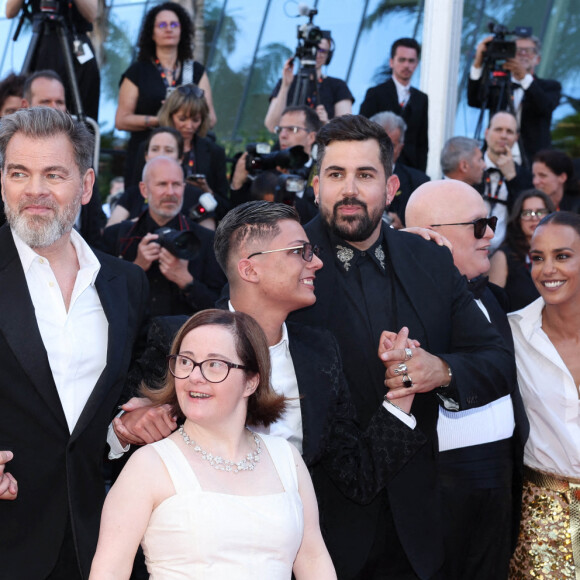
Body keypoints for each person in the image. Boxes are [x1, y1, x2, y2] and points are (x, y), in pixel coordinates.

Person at [291, 114, 515, 580]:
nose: (349, 189)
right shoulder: (282, 257)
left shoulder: (429, 258)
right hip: (314, 529)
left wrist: (442, 370)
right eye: (336, 175)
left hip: (420, 528)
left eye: (365, 175)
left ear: (391, 187)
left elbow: (495, 362)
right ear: (316, 186)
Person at [0, 107, 153, 579]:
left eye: (54, 174)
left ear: (86, 186)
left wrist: (124, 431)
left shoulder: (125, 284)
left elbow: (119, 404)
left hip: (93, 539)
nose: (35, 190)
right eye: (19, 172)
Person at [90, 309, 337, 580]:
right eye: (185, 362)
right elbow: (109, 572)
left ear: (251, 382)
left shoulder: (286, 458)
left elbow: (313, 560)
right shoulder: (149, 464)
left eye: (215, 364)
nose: (195, 376)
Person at [405, 179, 528, 580]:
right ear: (433, 236)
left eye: (490, 222)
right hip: (436, 483)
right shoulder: (396, 298)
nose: (490, 234)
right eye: (478, 225)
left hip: (502, 475)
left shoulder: (494, 296)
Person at [508, 211, 580, 579]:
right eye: (538, 258)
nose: (547, 269)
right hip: (543, 522)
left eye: (563, 256)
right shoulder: (513, 334)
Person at [101, 156, 226, 318]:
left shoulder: (207, 240)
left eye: (176, 184)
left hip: (184, 340)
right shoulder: (117, 236)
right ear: (144, 189)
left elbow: (222, 310)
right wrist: (136, 268)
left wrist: (187, 282)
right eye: (162, 184)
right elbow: (99, 300)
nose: (170, 192)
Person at [115, 2, 217, 187]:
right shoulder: (137, 71)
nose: (168, 29)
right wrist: (162, 119)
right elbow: (121, 120)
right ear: (151, 33)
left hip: (186, 154)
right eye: (162, 25)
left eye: (174, 25)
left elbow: (210, 118)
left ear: (182, 30)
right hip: (147, 153)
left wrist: (184, 119)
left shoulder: (195, 71)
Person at [467, 34, 561, 165]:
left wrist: (524, 78)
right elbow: (474, 100)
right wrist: (478, 63)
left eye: (529, 51)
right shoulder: (498, 84)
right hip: (494, 157)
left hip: (532, 160)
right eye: (517, 50)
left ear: (537, 59)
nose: (523, 54)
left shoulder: (550, 86)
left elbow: (544, 107)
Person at [6, 0, 101, 120]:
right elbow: (9, 12)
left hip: (74, 42)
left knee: (80, 108)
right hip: (43, 41)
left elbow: (91, 13)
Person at [107, 126, 216, 230]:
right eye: (155, 149)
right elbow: (110, 232)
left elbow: (210, 241)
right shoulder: (132, 194)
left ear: (181, 158)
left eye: (168, 150)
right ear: (146, 156)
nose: (161, 155)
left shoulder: (197, 198)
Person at [232, 105, 322, 222]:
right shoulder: (267, 165)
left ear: (311, 137)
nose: (282, 135)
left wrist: (293, 187)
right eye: (280, 129)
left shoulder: (321, 173)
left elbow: (320, 220)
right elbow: (238, 219)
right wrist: (237, 184)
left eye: (292, 129)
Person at [360, 38, 428, 172]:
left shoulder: (421, 98)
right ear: (392, 62)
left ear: (417, 64)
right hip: (378, 166)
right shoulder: (375, 93)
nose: (406, 65)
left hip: (410, 170)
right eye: (402, 60)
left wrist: (420, 175)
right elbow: (363, 132)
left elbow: (422, 143)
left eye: (411, 61)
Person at [264, 31, 353, 131]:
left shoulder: (338, 86)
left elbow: (346, 130)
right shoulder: (286, 81)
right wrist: (285, 85)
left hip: (321, 144)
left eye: (322, 51)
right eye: (312, 50)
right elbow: (272, 125)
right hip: (289, 144)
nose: (316, 54)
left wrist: (326, 123)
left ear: (329, 56)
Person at [157, 84, 228, 203]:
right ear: (170, 116)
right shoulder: (153, 147)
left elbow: (225, 206)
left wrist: (207, 191)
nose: (189, 126)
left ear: (203, 119)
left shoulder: (215, 152)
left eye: (195, 120)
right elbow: (135, 194)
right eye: (182, 119)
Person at [489, 189, 556, 311]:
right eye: (527, 213)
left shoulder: (564, 253)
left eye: (540, 212)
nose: (534, 218)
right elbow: (492, 308)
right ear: (518, 219)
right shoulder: (503, 256)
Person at [480, 111, 533, 252]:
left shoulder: (524, 175)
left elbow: (526, 214)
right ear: (486, 133)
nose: (503, 135)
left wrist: (512, 178)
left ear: (516, 138)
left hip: (507, 252)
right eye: (498, 129)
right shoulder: (472, 164)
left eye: (509, 131)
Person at [370, 110, 429, 227]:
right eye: (378, 144)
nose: (383, 151)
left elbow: (426, 235)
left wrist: (402, 231)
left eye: (390, 145)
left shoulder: (419, 184)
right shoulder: (351, 178)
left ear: (400, 148)